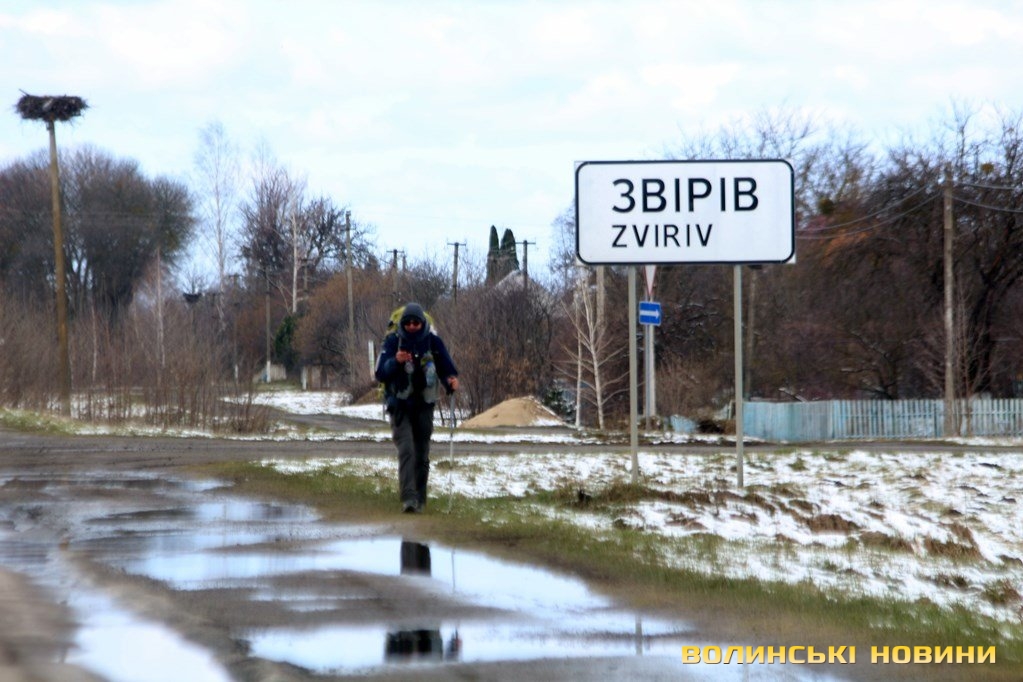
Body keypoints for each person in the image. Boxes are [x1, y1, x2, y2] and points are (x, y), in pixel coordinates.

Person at [375, 302, 459, 513]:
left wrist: (450, 381)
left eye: (416, 323)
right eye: (408, 323)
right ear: (402, 324)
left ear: (423, 323)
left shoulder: (433, 342)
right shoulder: (393, 342)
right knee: (406, 449)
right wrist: (395, 361)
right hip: (399, 405)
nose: (412, 326)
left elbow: (446, 369)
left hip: (424, 404)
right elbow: (380, 373)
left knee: (422, 453)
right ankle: (409, 498)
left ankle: (420, 498)